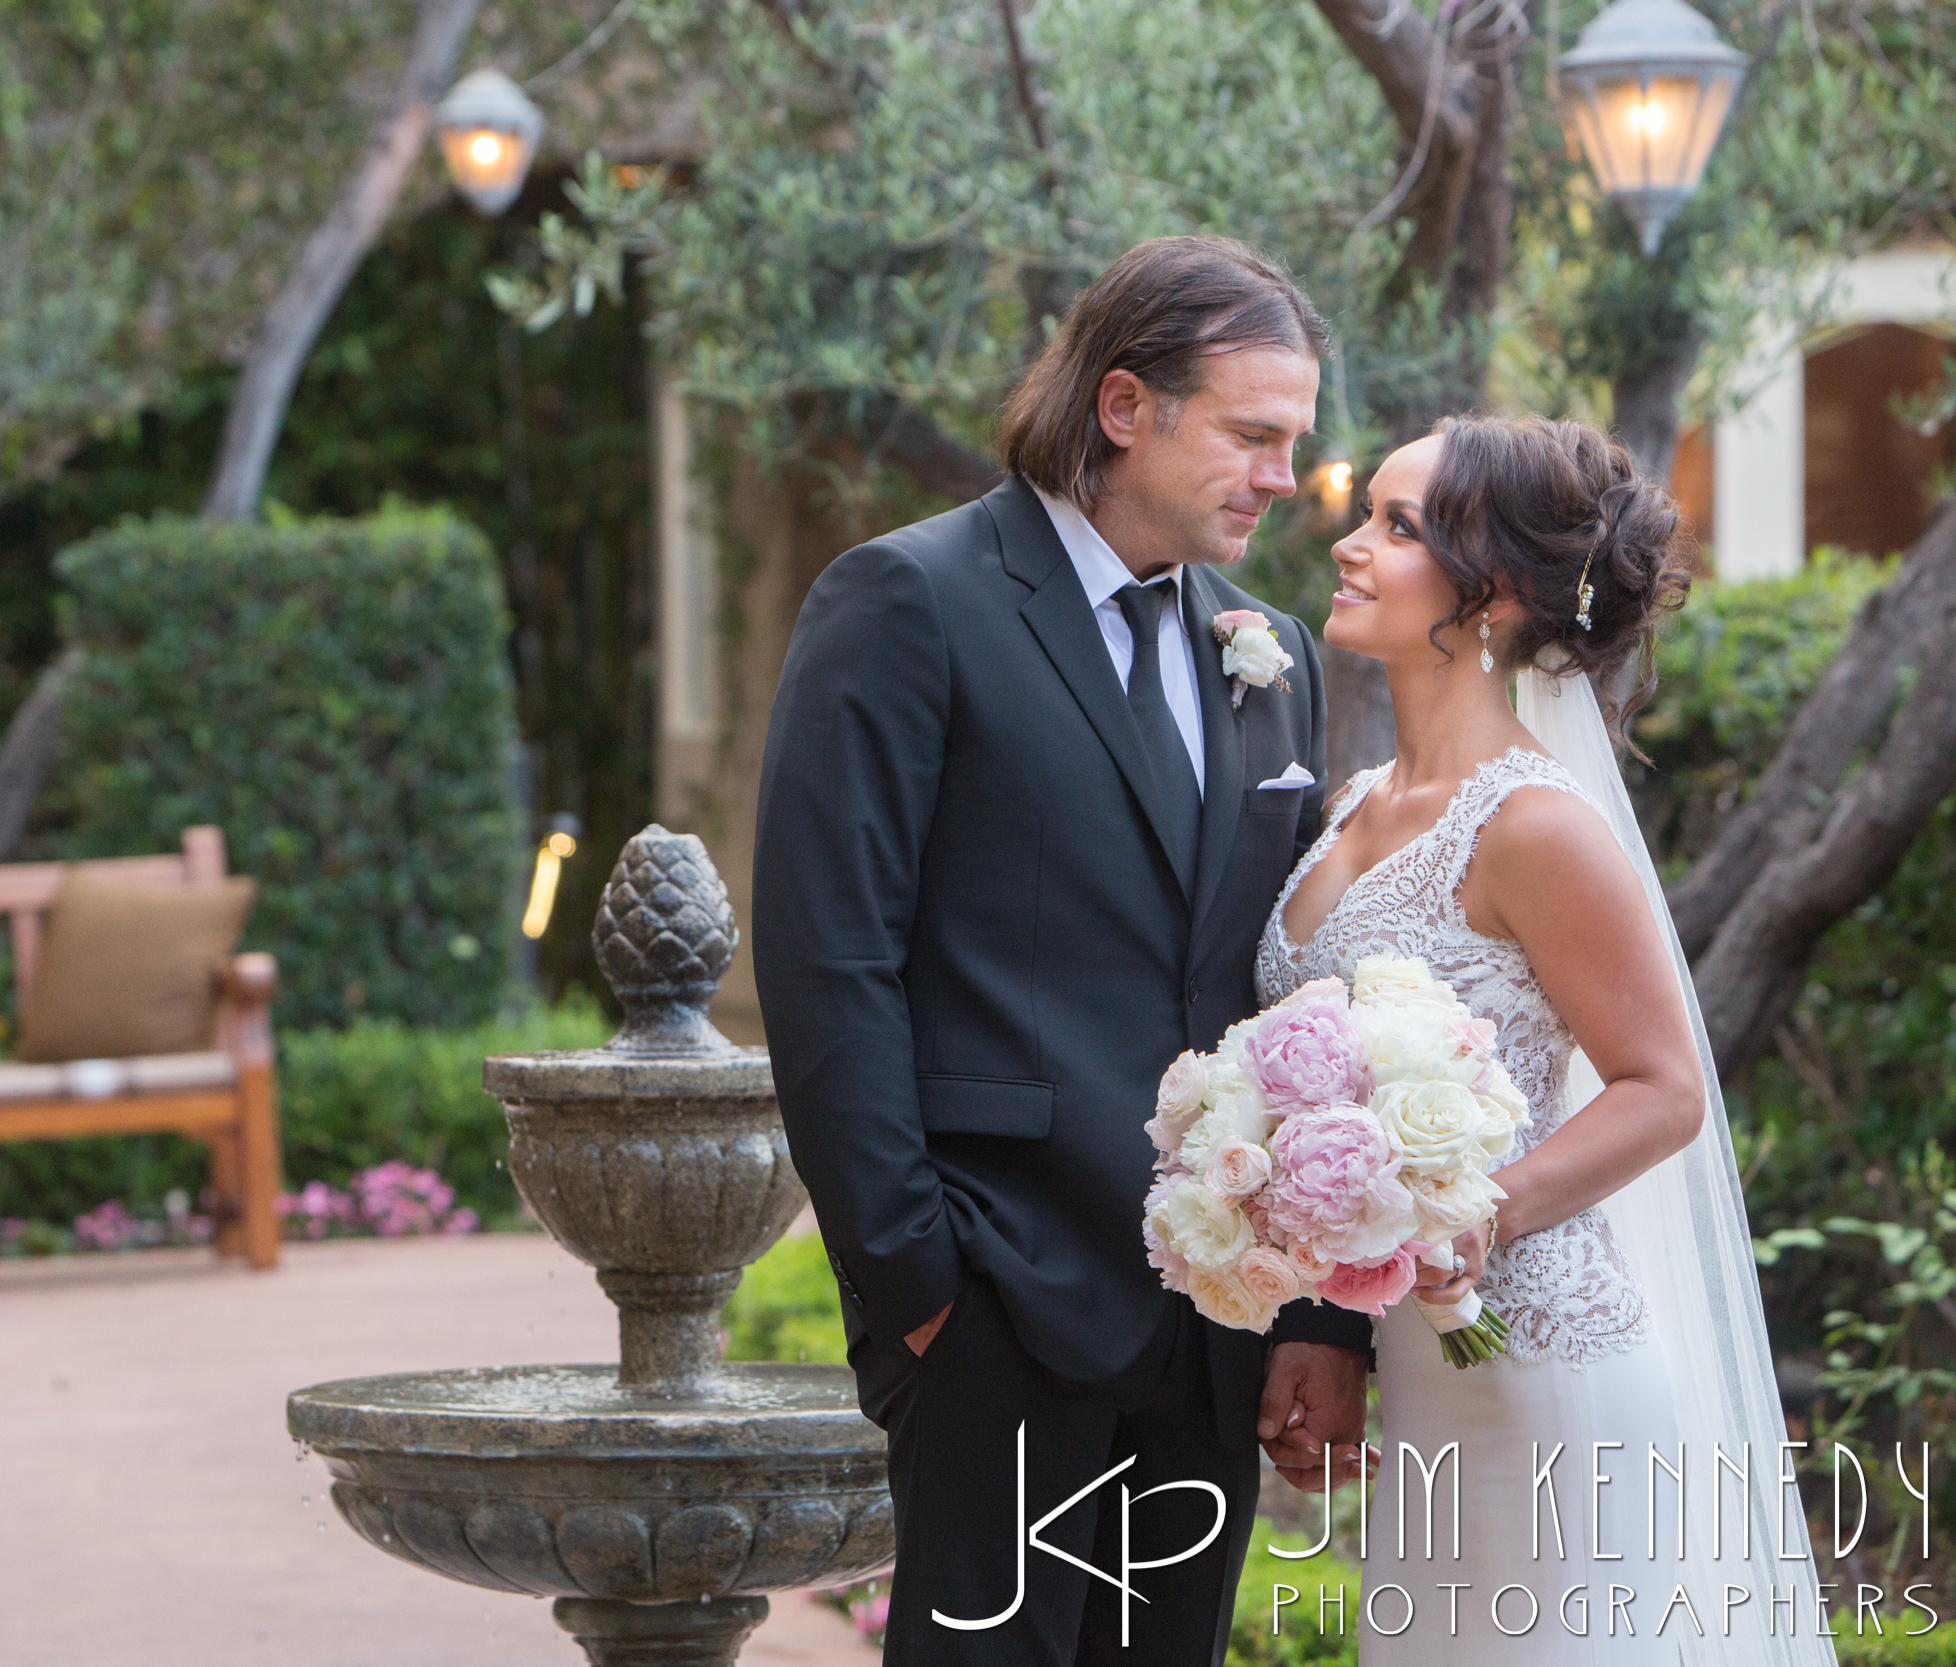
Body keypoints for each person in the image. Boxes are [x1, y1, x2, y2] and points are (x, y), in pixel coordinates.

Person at [754, 235, 1375, 1667]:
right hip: (993, 1293)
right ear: (1123, 406)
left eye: (1296, 441)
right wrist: (915, 1285)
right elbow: (829, 956)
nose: (1283, 476)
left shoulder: (1263, 647)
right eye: (1254, 434)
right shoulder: (907, 601)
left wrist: (1319, 1310)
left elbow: (1293, 995)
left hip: (1213, 1315)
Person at [1262, 414, 1828, 1664]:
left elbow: (1663, 1085)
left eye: (1395, 527)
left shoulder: (1530, 824)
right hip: (1422, 1367)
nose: (1349, 545)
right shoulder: (1353, 800)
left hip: (1536, 1367)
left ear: (1496, 593)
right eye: (1370, 516)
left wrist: (1481, 1209)